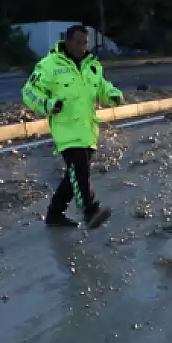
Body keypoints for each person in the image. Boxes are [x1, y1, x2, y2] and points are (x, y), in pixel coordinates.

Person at [22, 24, 124, 228]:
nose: (82, 47)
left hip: (88, 130)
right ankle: (90, 211)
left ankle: (54, 214)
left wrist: (113, 95)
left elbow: (102, 86)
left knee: (74, 175)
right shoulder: (49, 65)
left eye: (85, 42)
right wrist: (48, 105)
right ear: (67, 41)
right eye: (77, 42)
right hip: (66, 130)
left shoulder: (92, 65)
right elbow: (29, 91)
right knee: (80, 171)